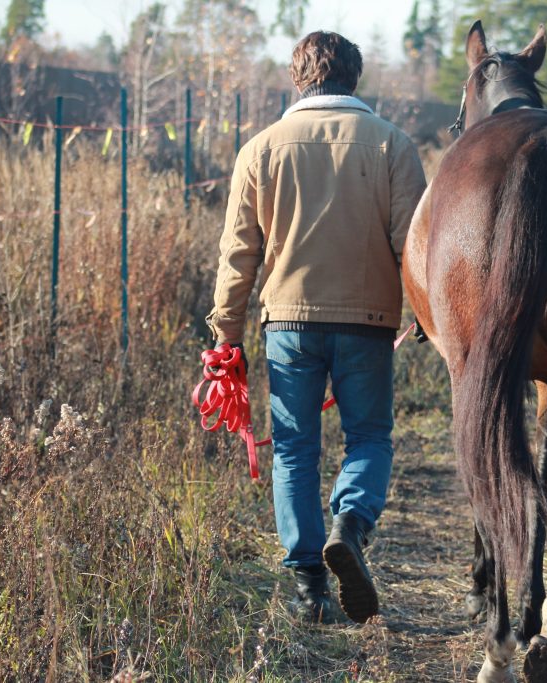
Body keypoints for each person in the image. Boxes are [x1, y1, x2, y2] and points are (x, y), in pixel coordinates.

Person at [205, 31, 427, 624]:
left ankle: (309, 589)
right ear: (354, 77)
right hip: (369, 322)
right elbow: (418, 247)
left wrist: (225, 334)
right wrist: (430, 314)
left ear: (297, 76)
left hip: (288, 325)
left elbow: (238, 253)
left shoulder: (261, 149)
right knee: (369, 438)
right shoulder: (393, 146)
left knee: (296, 449)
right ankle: (350, 526)